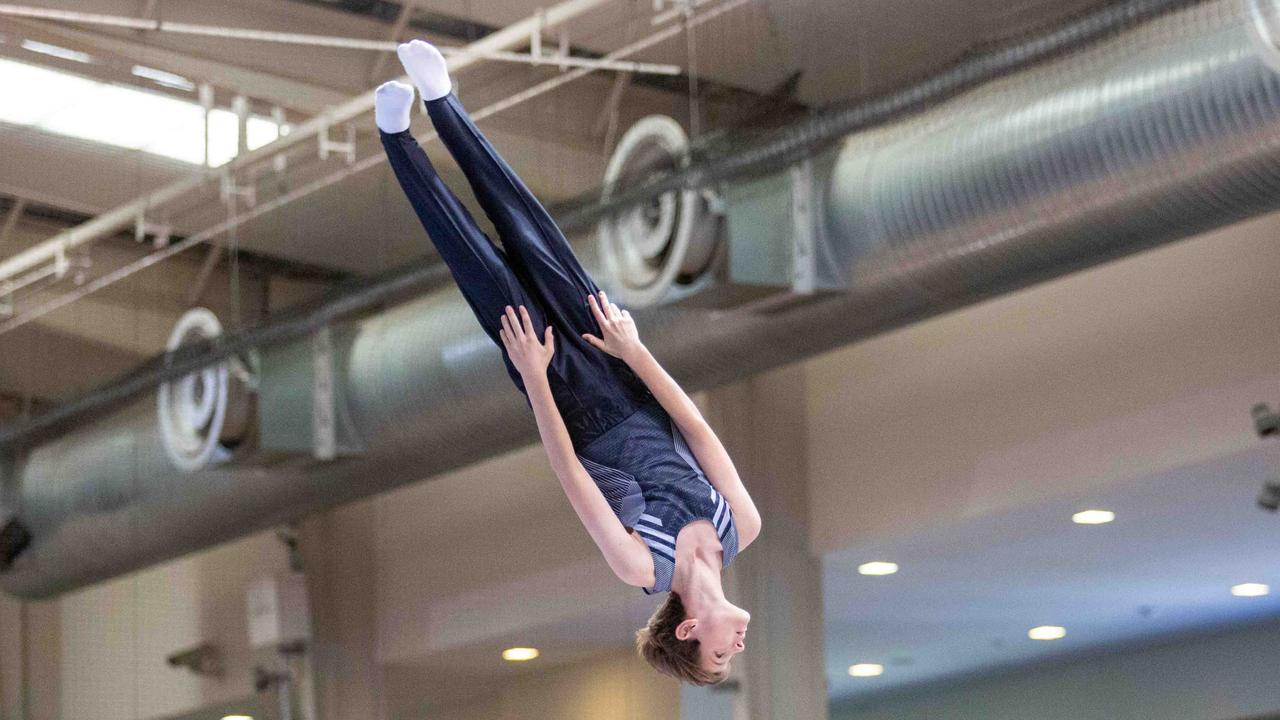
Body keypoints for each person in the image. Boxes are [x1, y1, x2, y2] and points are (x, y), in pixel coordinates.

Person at [375, 40, 762, 684]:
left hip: (567, 397)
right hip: (619, 369)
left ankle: (397, 140)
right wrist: (635, 352)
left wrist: (533, 378)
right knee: (529, 229)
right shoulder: (740, 523)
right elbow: (695, 427)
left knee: (481, 262)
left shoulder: (644, 568)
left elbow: (568, 472)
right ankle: (442, 100)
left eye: (719, 654)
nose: (737, 649)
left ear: (690, 630)